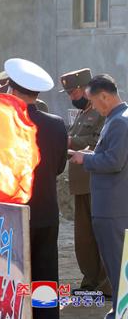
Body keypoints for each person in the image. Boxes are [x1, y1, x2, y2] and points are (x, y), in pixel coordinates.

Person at [6, 58, 67, 319]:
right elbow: (59, 166)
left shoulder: (5, 124)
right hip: (46, 210)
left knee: (14, 277)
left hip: (12, 213)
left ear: (11, 90)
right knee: (45, 274)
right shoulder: (56, 123)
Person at [70, 74, 128, 319]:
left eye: (94, 101)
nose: (93, 106)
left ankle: (122, 311)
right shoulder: (116, 118)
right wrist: (92, 153)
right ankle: (119, 309)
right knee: (116, 263)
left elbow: (114, 161)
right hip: (113, 203)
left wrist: (86, 158)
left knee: (116, 263)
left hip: (113, 206)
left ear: (105, 96)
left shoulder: (119, 122)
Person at [59, 69, 111, 296]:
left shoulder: (101, 112)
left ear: (86, 89)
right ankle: (90, 281)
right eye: (69, 93)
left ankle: (105, 285)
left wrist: (72, 140)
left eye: (74, 91)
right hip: (80, 183)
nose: (72, 96)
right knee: (83, 238)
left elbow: (99, 142)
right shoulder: (82, 113)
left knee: (99, 234)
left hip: (95, 182)